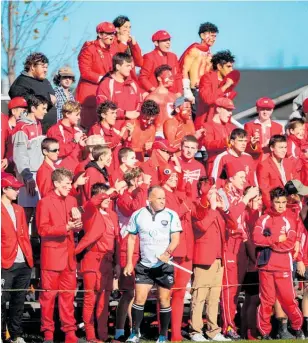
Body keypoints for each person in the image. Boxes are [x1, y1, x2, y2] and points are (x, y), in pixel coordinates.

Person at [124, 186, 182, 343]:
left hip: (163, 266)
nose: (163, 201)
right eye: (159, 198)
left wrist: (167, 253)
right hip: (144, 265)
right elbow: (131, 239)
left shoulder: (171, 215)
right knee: (139, 298)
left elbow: (176, 238)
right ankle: (135, 333)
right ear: (149, 199)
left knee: (164, 300)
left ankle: (162, 335)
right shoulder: (138, 215)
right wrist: (129, 262)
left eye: (164, 198)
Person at [36, 168, 84, 343]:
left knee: (68, 297)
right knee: (48, 298)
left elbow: (75, 227)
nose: (69, 186)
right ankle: (48, 332)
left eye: (70, 183)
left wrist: (77, 225)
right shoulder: (45, 202)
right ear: (56, 183)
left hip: (69, 259)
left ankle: (69, 332)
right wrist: (66, 228)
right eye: (66, 183)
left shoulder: (72, 200)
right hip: (51, 258)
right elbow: (42, 230)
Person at [253, 187, 305, 340]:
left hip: (283, 266)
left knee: (288, 299)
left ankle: (297, 327)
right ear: (272, 202)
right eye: (277, 202)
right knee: (266, 301)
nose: (281, 205)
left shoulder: (289, 218)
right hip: (265, 266)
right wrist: (276, 240)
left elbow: (289, 244)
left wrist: (268, 243)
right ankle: (265, 332)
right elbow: (256, 239)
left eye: (283, 202)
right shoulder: (264, 219)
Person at [218, 163, 259, 340]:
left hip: (241, 245)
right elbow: (231, 217)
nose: (245, 180)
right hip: (229, 244)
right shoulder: (223, 194)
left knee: (236, 289)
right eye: (241, 177)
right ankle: (227, 326)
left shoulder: (239, 194)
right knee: (229, 288)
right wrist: (246, 198)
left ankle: (235, 325)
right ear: (231, 178)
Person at [75, 183, 120, 342]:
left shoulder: (112, 215)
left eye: (108, 196)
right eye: (104, 196)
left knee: (104, 302)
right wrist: (106, 192)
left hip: (107, 262)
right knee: (90, 300)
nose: (108, 199)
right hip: (93, 261)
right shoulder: (91, 213)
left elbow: (116, 240)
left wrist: (117, 263)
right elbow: (90, 204)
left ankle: (103, 335)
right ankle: (90, 335)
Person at [190, 177, 230, 342]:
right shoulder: (196, 205)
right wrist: (213, 209)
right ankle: (195, 331)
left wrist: (224, 210)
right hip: (203, 258)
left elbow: (232, 225)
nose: (214, 192)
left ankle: (213, 330)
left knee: (214, 297)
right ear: (201, 191)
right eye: (210, 189)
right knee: (199, 296)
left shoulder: (217, 210)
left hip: (218, 258)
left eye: (215, 189)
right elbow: (202, 226)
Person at [115, 168, 150, 342]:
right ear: (134, 181)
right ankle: (122, 330)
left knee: (137, 292)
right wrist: (143, 187)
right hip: (126, 248)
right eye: (140, 180)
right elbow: (134, 209)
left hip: (140, 247)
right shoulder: (124, 197)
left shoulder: (140, 196)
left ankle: (133, 330)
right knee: (129, 292)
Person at [1, 173, 33, 343]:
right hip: (5, 262)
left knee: (18, 301)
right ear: (4, 189)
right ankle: (1, 335)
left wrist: (28, 257)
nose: (17, 192)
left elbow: (24, 236)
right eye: (14, 189)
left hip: (23, 261)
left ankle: (16, 334)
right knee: (1, 301)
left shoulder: (19, 209)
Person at [11, 95, 48, 226]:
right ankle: (21, 243)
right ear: (33, 108)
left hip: (38, 174)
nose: (45, 111)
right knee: (26, 212)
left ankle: (34, 242)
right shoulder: (22, 127)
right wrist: (27, 177)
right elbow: (19, 155)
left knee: (39, 211)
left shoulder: (38, 124)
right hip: (28, 175)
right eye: (43, 108)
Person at [75, 22, 118, 129]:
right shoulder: (89, 48)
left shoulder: (113, 49)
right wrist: (103, 79)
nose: (111, 36)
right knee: (89, 129)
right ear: (99, 34)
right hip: (90, 97)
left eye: (113, 33)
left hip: (106, 95)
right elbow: (85, 71)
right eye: (108, 33)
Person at [9, 52, 57, 133]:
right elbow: (28, 104)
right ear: (32, 67)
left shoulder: (45, 81)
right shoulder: (21, 83)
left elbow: (53, 98)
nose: (46, 70)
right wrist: (48, 99)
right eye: (43, 67)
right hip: (31, 132)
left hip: (50, 131)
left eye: (46, 67)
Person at [179, 22, 219, 119]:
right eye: (211, 35)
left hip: (205, 92)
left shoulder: (210, 54)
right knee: (197, 118)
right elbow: (184, 69)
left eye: (215, 36)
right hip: (194, 91)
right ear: (202, 35)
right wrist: (187, 90)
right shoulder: (194, 50)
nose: (213, 39)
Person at [96, 52, 142, 130]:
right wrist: (124, 113)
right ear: (118, 66)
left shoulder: (133, 84)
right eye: (127, 66)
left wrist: (137, 113)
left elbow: (140, 102)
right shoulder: (106, 84)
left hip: (132, 128)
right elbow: (103, 108)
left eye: (130, 66)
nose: (130, 68)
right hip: (113, 130)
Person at [195, 50, 238, 127]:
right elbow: (208, 99)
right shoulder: (207, 78)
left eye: (232, 67)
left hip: (222, 125)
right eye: (228, 66)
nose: (231, 70)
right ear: (219, 66)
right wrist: (225, 87)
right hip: (206, 124)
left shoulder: (229, 82)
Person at [257, 135, 299, 208]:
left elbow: (296, 180)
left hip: (291, 203)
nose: (284, 150)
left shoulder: (289, 162)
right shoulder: (263, 165)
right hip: (275, 205)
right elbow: (264, 190)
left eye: (285, 147)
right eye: (280, 147)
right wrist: (271, 207)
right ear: (272, 148)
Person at [199, 97, 236, 175]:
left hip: (232, 165)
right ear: (218, 109)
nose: (231, 113)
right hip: (216, 165)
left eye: (231, 110)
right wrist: (226, 141)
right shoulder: (207, 126)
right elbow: (208, 145)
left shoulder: (232, 127)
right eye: (228, 110)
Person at [139, 30, 182, 96]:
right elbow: (143, 78)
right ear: (156, 43)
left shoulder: (173, 56)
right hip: (157, 96)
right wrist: (155, 90)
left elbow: (178, 76)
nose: (168, 43)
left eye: (169, 40)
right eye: (164, 40)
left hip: (173, 96)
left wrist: (179, 92)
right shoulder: (149, 57)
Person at [47, 101, 86, 172]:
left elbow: (83, 156)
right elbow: (57, 152)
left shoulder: (78, 130)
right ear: (67, 114)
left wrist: (85, 147)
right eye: (77, 115)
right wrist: (74, 141)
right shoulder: (55, 130)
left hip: (78, 170)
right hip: (62, 173)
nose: (79, 117)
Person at [244, 97, 283, 163]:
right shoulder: (249, 126)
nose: (265, 112)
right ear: (257, 110)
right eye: (262, 109)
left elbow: (282, 147)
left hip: (273, 162)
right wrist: (254, 145)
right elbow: (245, 147)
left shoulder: (278, 127)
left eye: (268, 109)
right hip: (256, 163)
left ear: (272, 110)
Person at [145, 65, 177, 133]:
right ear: (159, 78)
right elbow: (146, 120)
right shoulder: (152, 98)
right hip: (159, 133)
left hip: (174, 132)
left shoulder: (174, 96)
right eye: (168, 77)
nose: (172, 79)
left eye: (172, 77)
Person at [112, 15, 143, 82]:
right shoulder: (112, 42)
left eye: (129, 27)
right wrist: (123, 42)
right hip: (117, 79)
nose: (128, 30)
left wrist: (134, 45)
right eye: (125, 27)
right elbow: (116, 59)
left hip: (131, 79)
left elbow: (140, 63)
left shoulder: (130, 42)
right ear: (117, 29)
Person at [1, 97, 28, 171]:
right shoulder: (3, 123)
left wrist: (8, 159)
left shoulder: (24, 127)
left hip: (18, 168)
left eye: (26, 111)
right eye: (23, 111)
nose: (26, 114)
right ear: (13, 111)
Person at [178, 135, 206, 200]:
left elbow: (203, 187)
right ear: (181, 147)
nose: (189, 151)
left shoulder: (200, 166)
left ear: (196, 150)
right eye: (187, 147)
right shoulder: (174, 162)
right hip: (179, 201)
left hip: (194, 202)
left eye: (192, 148)